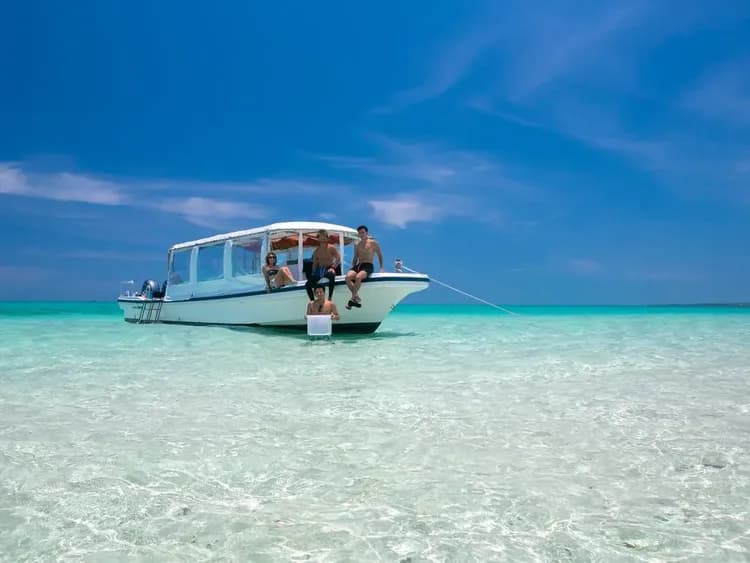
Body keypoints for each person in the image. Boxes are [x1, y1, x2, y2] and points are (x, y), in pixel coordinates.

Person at [345, 224, 383, 309]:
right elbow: (355, 257)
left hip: (368, 265)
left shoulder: (373, 243)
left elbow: (380, 255)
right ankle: (356, 296)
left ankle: (353, 298)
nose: (361, 234)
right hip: (359, 265)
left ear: (366, 233)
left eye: (363, 232)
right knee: (347, 277)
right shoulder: (357, 244)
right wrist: (352, 267)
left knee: (358, 277)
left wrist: (381, 267)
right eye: (360, 233)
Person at [305, 229, 341, 300]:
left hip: (329, 268)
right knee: (307, 284)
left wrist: (333, 268)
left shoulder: (331, 247)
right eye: (321, 236)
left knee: (331, 275)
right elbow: (315, 264)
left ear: (327, 237)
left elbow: (338, 258)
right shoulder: (316, 251)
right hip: (319, 270)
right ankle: (313, 301)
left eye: (325, 236)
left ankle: (330, 297)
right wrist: (313, 273)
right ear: (318, 238)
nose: (323, 237)